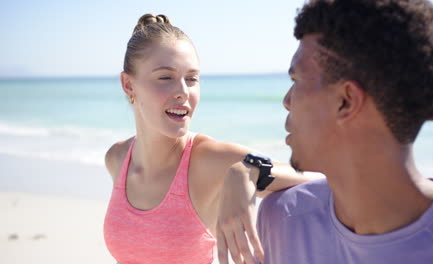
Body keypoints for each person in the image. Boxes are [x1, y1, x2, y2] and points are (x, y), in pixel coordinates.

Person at [216, 0, 433, 263]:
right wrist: (246, 169)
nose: (287, 101)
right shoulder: (283, 219)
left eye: (296, 81)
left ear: (346, 101)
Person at [102, 13, 321, 264]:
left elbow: (318, 177)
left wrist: (246, 171)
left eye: (192, 79)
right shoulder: (117, 158)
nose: (183, 92)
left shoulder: (208, 159)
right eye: (165, 77)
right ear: (128, 85)